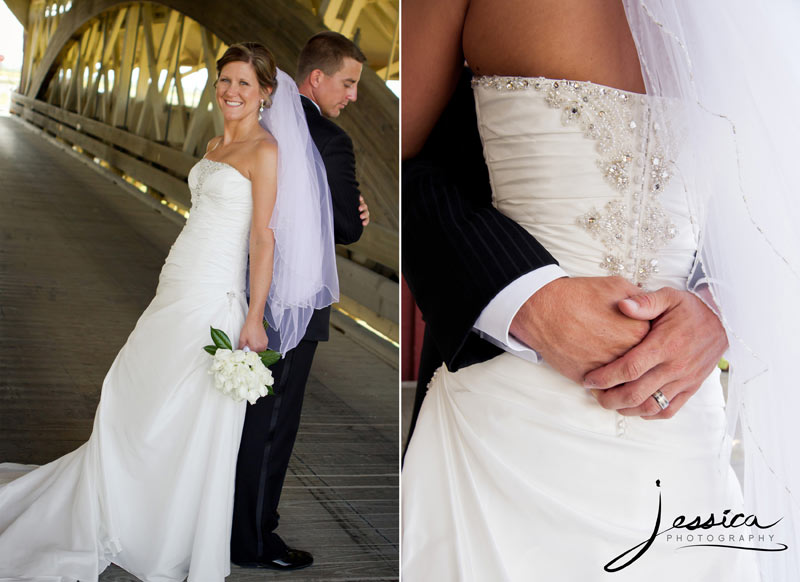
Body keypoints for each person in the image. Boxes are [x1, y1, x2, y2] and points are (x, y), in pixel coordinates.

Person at [401, 0, 797, 580]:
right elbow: (390, 161)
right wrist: (526, 296)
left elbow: (774, 197)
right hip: (508, 425)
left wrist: (723, 307)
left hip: (680, 427)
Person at [0, 42, 337, 581]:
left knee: (180, 406)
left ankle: (155, 521)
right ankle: (125, 496)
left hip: (213, 295)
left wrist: (253, 317)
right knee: (139, 390)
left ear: (266, 93)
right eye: (224, 80)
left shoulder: (265, 152)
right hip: (177, 282)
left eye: (244, 84)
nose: (231, 91)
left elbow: (264, 240)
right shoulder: (212, 143)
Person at [230, 31, 369, 570]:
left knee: (241, 421)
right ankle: (254, 540)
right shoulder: (330, 141)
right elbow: (342, 229)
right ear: (316, 78)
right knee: (272, 427)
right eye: (348, 83)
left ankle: (231, 520)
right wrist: (354, 214)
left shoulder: (253, 123)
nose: (353, 96)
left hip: (238, 287)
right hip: (292, 301)